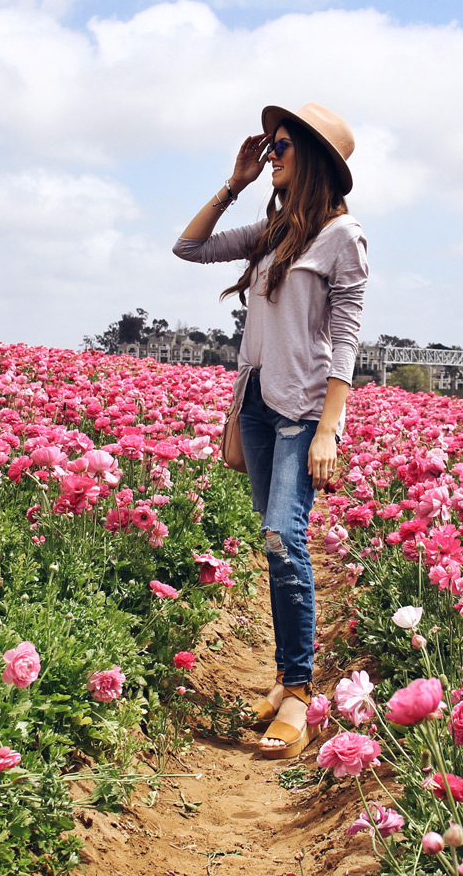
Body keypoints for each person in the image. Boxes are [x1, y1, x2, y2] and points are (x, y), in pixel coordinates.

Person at [172, 103, 367, 759]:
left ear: (311, 158)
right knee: (274, 541)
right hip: (253, 403)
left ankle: (300, 695)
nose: (272, 153)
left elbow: (345, 341)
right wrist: (235, 184)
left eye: (281, 147)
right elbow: (189, 246)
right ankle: (286, 679)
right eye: (271, 145)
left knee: (285, 536)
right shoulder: (273, 233)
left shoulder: (344, 238)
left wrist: (328, 431)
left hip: (302, 409)